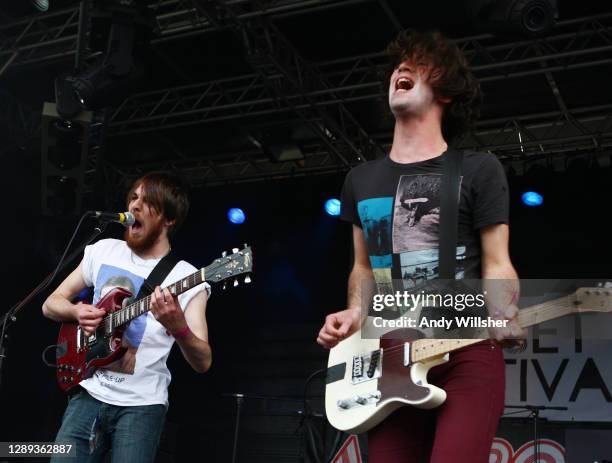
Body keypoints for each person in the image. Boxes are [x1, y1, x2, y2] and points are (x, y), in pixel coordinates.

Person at [316, 30, 526, 463]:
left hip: (467, 349)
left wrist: (504, 312)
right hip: (392, 352)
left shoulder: (479, 169)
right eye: (398, 65)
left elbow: (497, 262)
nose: (401, 70)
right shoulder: (361, 180)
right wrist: (355, 313)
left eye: (419, 63)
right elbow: (362, 267)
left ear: (446, 92)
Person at [42, 172, 212, 463]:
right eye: (133, 197)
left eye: (147, 202)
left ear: (169, 219)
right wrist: (76, 310)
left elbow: (203, 361)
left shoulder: (188, 277)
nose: (134, 206)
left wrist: (178, 327)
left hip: (142, 407)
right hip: (88, 394)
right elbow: (50, 304)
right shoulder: (103, 250)